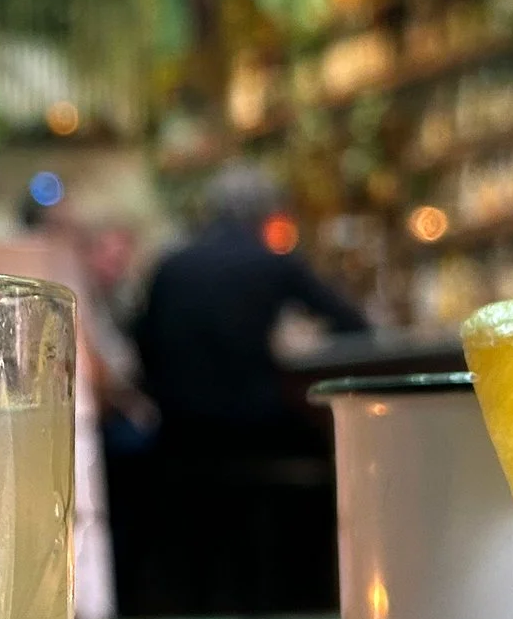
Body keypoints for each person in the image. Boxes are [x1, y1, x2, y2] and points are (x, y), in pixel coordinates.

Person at [135, 163, 370, 457]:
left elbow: (143, 340)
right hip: (255, 430)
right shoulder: (272, 263)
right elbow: (352, 323)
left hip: (178, 432)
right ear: (267, 212)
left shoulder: (169, 265)